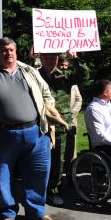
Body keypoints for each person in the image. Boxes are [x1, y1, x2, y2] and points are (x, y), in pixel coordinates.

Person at [0, 37, 58, 220]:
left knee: (39, 173)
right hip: (2, 135)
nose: (7, 53)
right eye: (3, 50)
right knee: (3, 176)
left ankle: (36, 210)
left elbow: (46, 94)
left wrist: (48, 109)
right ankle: (8, 212)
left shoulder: (29, 71)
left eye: (11, 50)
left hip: (36, 132)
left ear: (16, 52)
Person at [39, 52, 87, 206]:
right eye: (46, 58)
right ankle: (38, 188)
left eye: (53, 58)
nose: (50, 61)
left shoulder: (65, 76)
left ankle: (53, 190)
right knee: (37, 158)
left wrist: (76, 59)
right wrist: (29, 57)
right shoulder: (34, 74)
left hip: (60, 123)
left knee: (58, 160)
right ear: (41, 59)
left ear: (58, 59)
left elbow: (84, 75)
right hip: (39, 122)